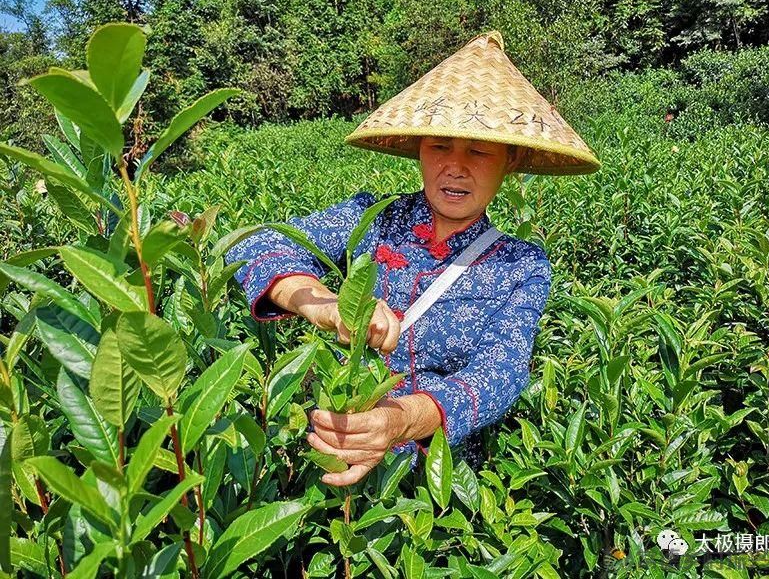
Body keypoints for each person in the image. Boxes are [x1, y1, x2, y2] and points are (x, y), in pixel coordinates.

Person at [226, 31, 601, 487]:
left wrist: (402, 420)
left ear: (510, 158)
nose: (456, 166)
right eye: (440, 146)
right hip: (330, 455)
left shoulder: (520, 265)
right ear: (419, 148)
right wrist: (325, 306)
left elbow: (499, 371)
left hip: (438, 486)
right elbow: (255, 244)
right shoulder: (373, 218)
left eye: (480, 150)